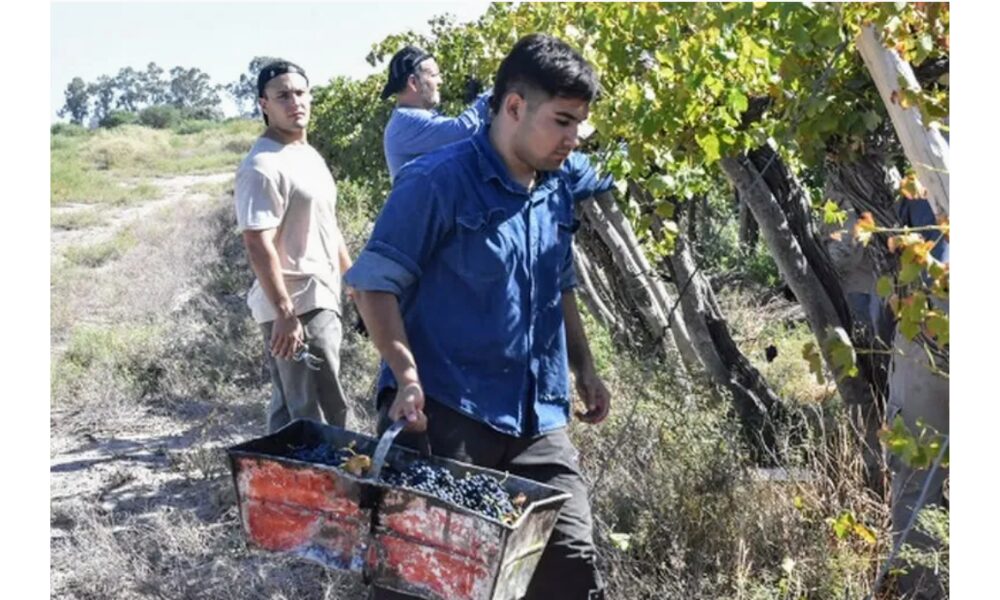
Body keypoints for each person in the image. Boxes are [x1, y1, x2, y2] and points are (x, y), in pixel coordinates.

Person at [347, 34, 612, 599]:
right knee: (427, 580)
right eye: (562, 121)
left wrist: (584, 368)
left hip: (538, 419)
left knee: (568, 566)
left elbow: (558, 282)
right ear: (514, 106)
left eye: (580, 124)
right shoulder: (436, 181)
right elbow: (373, 287)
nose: (574, 138)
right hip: (445, 414)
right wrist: (405, 371)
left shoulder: (556, 183)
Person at [234, 60, 353, 433]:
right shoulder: (262, 165)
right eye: (282, 95)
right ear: (263, 104)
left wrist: (354, 283)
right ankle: (334, 486)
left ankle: (273, 487)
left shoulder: (308, 155)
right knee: (319, 411)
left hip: (322, 295)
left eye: (300, 93)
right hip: (296, 304)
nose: (294, 102)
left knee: (291, 410)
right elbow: (257, 241)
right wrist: (285, 312)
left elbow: (327, 228)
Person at [379, 45, 493, 181]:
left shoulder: (413, 119)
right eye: (434, 75)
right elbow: (462, 131)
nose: (440, 81)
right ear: (413, 82)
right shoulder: (405, 121)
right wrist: (491, 95)